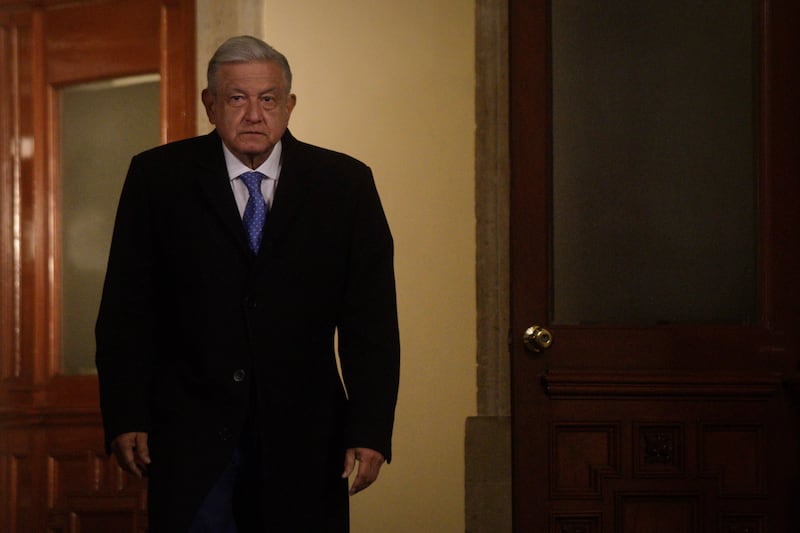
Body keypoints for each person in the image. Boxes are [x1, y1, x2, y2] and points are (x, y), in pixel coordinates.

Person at [95, 35, 400, 532]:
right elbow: (127, 311)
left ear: (289, 105)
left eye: (268, 99)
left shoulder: (345, 184)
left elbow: (372, 323)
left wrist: (369, 428)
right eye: (237, 98)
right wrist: (126, 412)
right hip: (190, 433)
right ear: (210, 104)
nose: (254, 115)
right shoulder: (157, 178)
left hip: (305, 435)